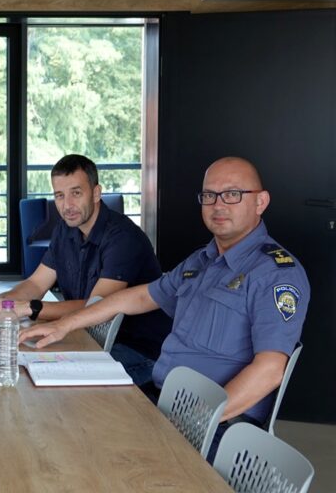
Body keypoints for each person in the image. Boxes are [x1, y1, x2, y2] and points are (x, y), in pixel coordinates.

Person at [20, 156, 309, 461]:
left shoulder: (275, 274)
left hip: (214, 425)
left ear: (260, 202)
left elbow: (269, 370)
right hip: (164, 400)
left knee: (96, 456)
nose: (218, 205)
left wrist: (195, 421)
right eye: (209, 195)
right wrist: (63, 324)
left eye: (232, 194)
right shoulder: (201, 261)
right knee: (64, 423)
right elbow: (139, 298)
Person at [0, 154, 172, 385]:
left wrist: (31, 308)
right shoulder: (65, 229)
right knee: (20, 365)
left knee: (48, 381)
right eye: (59, 195)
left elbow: (98, 306)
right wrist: (4, 302)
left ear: (96, 193)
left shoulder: (123, 237)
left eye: (76, 193)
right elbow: (36, 283)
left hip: (137, 350)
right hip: (85, 337)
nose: (67, 205)